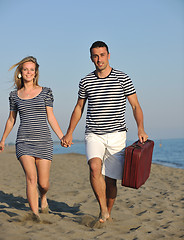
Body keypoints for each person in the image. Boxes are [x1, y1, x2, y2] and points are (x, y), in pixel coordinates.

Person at [61, 41, 148, 223]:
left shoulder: (123, 78)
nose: (99, 59)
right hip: (93, 133)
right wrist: (69, 133)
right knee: (94, 168)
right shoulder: (86, 81)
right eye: (95, 55)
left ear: (108, 55)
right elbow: (79, 108)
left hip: (117, 134)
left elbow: (135, 105)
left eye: (102, 55)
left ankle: (108, 211)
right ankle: (102, 210)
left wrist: (140, 127)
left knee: (111, 180)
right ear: (91, 58)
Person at [0, 56, 64, 221]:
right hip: (23, 142)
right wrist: (3, 139)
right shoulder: (14, 95)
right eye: (25, 69)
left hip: (44, 141)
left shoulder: (46, 92)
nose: (29, 72)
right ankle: (35, 214)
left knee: (43, 184)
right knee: (31, 178)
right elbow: (11, 119)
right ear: (21, 72)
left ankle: (43, 197)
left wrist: (62, 136)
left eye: (32, 70)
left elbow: (51, 117)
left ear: (35, 73)